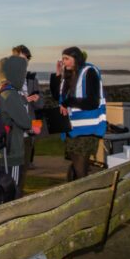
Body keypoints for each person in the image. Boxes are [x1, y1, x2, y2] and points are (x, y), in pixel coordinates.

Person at [50, 47, 107, 180]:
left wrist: (67, 102)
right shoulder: (69, 75)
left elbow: (92, 102)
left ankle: (85, 196)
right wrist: (58, 74)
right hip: (72, 130)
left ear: (76, 58)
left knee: (81, 171)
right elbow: (56, 96)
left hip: (86, 131)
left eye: (67, 59)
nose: (63, 62)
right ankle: (80, 194)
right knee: (78, 168)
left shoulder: (89, 72)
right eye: (62, 59)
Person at [0, 55, 32, 190]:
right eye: (22, 72)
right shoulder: (10, 94)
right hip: (11, 153)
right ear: (15, 72)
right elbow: (26, 122)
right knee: (13, 191)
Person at [12, 45, 45, 179]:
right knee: (12, 173)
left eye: (26, 60)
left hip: (28, 133)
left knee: (23, 174)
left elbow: (41, 105)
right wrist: (23, 99)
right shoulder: (6, 80)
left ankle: (18, 197)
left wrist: (37, 99)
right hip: (12, 133)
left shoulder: (32, 80)